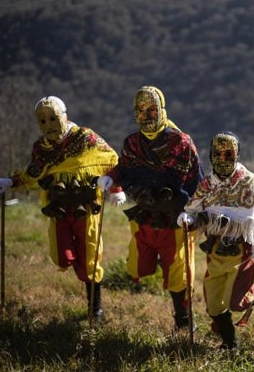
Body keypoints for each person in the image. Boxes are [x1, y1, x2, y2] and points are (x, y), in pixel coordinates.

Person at [0, 95, 125, 322]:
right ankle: (83, 272)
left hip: (87, 208)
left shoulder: (85, 138)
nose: (49, 125)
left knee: (90, 259)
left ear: (64, 115)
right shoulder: (41, 148)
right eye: (43, 121)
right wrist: (12, 182)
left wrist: (116, 188)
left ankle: (96, 310)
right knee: (62, 258)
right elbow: (32, 174)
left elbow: (111, 160)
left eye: (53, 118)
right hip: (58, 209)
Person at [97, 85, 203, 331]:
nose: (146, 116)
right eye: (140, 110)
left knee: (179, 270)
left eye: (152, 109)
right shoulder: (132, 143)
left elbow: (196, 180)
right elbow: (124, 167)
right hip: (145, 213)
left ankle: (184, 320)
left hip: (176, 216)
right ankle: (157, 263)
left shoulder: (181, 142)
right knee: (136, 266)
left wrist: (192, 211)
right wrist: (112, 179)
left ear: (162, 109)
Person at [177, 131, 254, 350]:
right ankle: (230, 343)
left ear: (237, 154)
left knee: (237, 302)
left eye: (229, 153)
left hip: (243, 253)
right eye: (218, 153)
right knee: (214, 306)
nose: (223, 159)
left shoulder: (249, 181)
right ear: (211, 155)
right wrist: (188, 217)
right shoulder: (206, 184)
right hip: (215, 252)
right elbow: (194, 210)